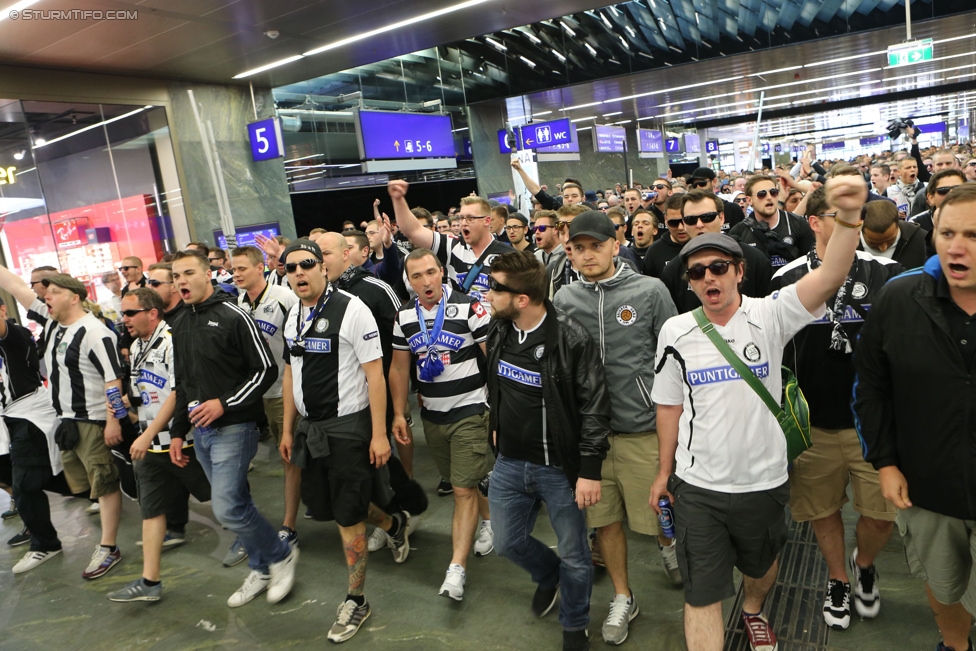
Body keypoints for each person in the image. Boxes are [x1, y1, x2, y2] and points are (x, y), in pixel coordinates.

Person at [649, 175, 868, 651]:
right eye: (697, 271)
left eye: (719, 267)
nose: (709, 277)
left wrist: (849, 218)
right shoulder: (675, 332)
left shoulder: (772, 315)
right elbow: (669, 404)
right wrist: (663, 473)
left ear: (738, 271)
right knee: (701, 595)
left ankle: (752, 609)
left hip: (764, 484)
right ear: (688, 281)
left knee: (761, 568)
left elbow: (831, 275)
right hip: (698, 486)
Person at [770, 187, 902, 630]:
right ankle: (839, 578)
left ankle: (864, 562)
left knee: (881, 516)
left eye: (855, 214)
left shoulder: (887, 274)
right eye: (838, 214)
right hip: (814, 425)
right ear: (814, 222)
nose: (851, 221)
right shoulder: (785, 279)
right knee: (820, 508)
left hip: (873, 425)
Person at [852, 183, 976, 651]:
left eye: (973, 235)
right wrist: (884, 462)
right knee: (945, 587)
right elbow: (870, 387)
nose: (957, 246)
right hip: (927, 485)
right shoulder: (900, 298)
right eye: (946, 233)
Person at [553, 212, 679, 645]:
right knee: (604, 522)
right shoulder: (565, 298)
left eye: (595, 246)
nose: (587, 255)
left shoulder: (650, 290)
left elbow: (673, 356)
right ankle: (624, 596)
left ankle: (669, 546)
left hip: (642, 428)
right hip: (592, 437)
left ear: (615, 243)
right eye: (579, 247)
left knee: (661, 513)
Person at [485, 250, 611, 651]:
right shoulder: (501, 329)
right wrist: (496, 426)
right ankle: (548, 573)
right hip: (508, 462)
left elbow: (594, 407)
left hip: (558, 468)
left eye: (496, 289)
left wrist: (589, 469)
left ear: (522, 299)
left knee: (576, 554)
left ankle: (574, 625)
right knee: (506, 543)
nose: (488, 295)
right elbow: (497, 384)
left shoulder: (571, 339)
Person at [277, 238, 392, 643]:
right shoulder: (294, 315)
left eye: (306, 264)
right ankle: (393, 523)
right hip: (311, 430)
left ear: (324, 267)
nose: (299, 273)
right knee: (329, 507)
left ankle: (356, 600)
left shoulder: (352, 309)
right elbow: (291, 374)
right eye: (290, 268)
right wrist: (289, 428)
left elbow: (375, 376)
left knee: (347, 517)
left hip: (348, 428)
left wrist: (379, 434)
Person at [167, 250, 297, 609]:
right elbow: (184, 383)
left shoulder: (233, 315)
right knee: (236, 502)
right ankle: (261, 567)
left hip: (235, 427)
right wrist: (178, 431)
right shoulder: (179, 322)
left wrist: (225, 403)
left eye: (188, 273)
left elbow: (265, 370)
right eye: (175, 275)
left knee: (226, 509)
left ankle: (279, 554)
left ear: (208, 274)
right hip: (200, 431)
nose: (180, 281)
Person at [390, 248, 495, 600]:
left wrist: (499, 408)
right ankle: (490, 520)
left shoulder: (470, 306)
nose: (425, 281)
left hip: (470, 409)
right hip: (432, 416)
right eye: (416, 276)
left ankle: (456, 569)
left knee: (462, 490)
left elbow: (492, 356)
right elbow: (399, 368)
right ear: (409, 281)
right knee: (465, 479)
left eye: (431, 272)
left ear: (442, 272)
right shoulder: (404, 315)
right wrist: (397, 412)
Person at [106, 289, 212, 602]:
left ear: (152, 313)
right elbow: (147, 390)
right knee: (151, 511)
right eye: (122, 314)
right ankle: (149, 582)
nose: (123, 320)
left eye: (130, 313)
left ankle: (256, 543)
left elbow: (178, 393)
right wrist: (125, 404)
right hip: (149, 444)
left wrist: (148, 434)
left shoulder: (171, 341)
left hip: (181, 440)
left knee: (221, 497)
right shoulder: (137, 345)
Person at [23, 273, 127, 580]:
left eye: (53, 292)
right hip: (66, 419)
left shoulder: (95, 332)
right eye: (46, 294)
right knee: (83, 486)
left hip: (93, 421)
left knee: (105, 485)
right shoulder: (55, 324)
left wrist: (113, 421)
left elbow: (113, 381)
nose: (46, 298)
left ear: (75, 297)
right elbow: (17, 287)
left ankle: (109, 547)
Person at [231, 245, 301, 559]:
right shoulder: (239, 303)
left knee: (293, 457)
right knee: (282, 457)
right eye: (233, 269)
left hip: (285, 392)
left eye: (242, 268)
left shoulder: (284, 298)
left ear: (261, 267)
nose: (236, 274)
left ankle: (289, 525)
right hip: (257, 394)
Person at [0, 295, 64, 574]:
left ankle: (44, 544)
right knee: (36, 478)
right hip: (9, 419)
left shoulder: (13, 334)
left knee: (26, 482)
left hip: (30, 414)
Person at [388, 180, 510, 307]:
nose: (464, 223)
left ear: (487, 220)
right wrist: (398, 199)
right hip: (461, 322)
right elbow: (413, 231)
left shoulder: (508, 254)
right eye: (461, 218)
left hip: (494, 324)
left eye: (470, 218)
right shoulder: (451, 246)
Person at [660, 191, 772, 313]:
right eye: (690, 219)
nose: (699, 224)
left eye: (707, 217)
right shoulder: (673, 270)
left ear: (722, 217)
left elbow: (768, 311)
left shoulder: (755, 259)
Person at [729, 175, 816, 271]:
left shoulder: (798, 224)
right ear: (749, 200)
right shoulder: (739, 232)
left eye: (773, 192)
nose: (769, 197)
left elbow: (812, 264)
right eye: (762, 194)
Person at [860, 200, 927, 269]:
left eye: (890, 240)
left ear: (897, 224)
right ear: (860, 229)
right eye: (873, 243)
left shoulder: (923, 241)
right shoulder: (849, 246)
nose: (883, 248)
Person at [643, 195, 689, 278]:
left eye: (685, 221)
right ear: (665, 220)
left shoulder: (703, 246)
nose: (680, 228)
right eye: (674, 223)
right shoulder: (654, 251)